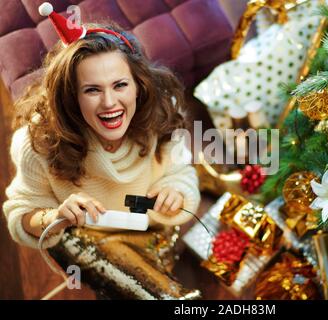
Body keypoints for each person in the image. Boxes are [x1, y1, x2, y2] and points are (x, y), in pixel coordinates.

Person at [2, 3, 200, 249]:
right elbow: (20, 214)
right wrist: (55, 217)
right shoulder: (37, 143)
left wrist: (176, 192)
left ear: (139, 85)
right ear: (70, 95)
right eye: (92, 90)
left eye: (120, 85)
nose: (109, 103)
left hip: (155, 232)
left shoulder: (164, 114)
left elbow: (181, 172)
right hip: (91, 245)